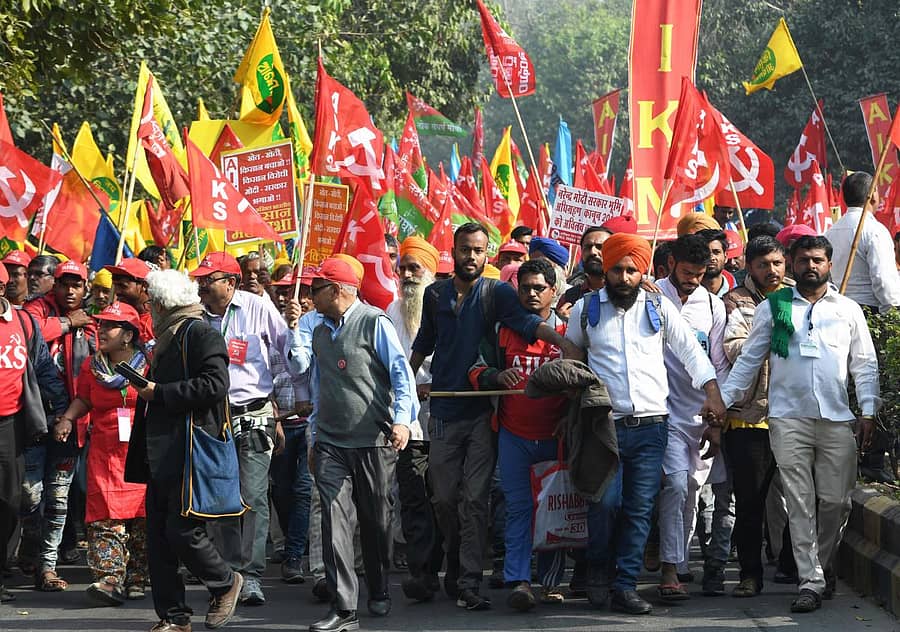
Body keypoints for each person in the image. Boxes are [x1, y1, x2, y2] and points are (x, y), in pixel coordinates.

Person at [410, 223, 579, 610]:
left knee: (474, 500)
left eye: (479, 250)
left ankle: (469, 580)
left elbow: (524, 323)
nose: (471, 256)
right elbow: (424, 341)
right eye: (465, 249)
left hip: (484, 416)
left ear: (487, 254)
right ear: (452, 250)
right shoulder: (435, 293)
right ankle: (453, 562)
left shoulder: (498, 292)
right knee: (445, 499)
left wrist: (562, 341)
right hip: (444, 410)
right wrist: (404, 385)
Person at [564, 232, 726, 615]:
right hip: (603, 426)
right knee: (605, 504)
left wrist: (713, 392)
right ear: (606, 269)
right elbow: (570, 351)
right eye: (617, 269)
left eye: (631, 270)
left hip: (653, 427)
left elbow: (690, 351)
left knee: (639, 509)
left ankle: (624, 585)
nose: (623, 277)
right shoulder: (585, 309)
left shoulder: (658, 307)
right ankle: (598, 574)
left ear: (643, 271)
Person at [720, 235, 880, 613]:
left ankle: (821, 566)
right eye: (804, 259)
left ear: (829, 264)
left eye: (818, 260)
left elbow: (865, 364)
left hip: (837, 419)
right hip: (787, 418)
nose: (811, 266)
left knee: (836, 502)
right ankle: (810, 581)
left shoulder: (848, 310)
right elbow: (749, 360)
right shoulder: (774, 307)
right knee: (799, 501)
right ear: (792, 263)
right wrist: (724, 400)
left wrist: (869, 410)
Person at [124, 269, 243, 632]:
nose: (150, 310)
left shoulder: (200, 332)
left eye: (151, 303)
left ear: (161, 304)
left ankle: (225, 581)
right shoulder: (167, 336)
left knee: (182, 530)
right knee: (159, 538)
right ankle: (173, 618)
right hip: (160, 450)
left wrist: (159, 392)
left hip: (189, 450)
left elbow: (215, 385)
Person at [307, 257, 418, 632]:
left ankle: (380, 586)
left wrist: (403, 420)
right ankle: (344, 608)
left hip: (373, 442)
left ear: (337, 290)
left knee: (375, 521)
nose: (310, 296)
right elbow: (320, 389)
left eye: (316, 289)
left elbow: (402, 374)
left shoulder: (374, 322)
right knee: (334, 520)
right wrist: (314, 433)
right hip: (331, 443)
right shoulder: (319, 332)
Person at [190, 252, 304, 607]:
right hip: (211, 417)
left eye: (210, 279)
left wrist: (297, 330)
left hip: (254, 413)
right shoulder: (195, 317)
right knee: (222, 498)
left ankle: (251, 575)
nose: (203, 286)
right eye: (201, 280)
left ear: (231, 282)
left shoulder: (259, 307)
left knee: (253, 496)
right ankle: (227, 575)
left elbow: (290, 358)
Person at [468, 258, 569, 611]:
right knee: (518, 509)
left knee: (555, 508)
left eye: (539, 288)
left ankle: (552, 582)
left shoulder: (568, 332)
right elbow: (476, 368)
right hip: (513, 436)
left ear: (553, 292)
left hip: (556, 438)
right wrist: (497, 377)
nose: (531, 294)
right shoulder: (502, 331)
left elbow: (585, 379)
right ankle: (519, 580)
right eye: (524, 287)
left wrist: (569, 421)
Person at [55, 302, 148, 606]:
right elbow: (84, 398)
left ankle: (136, 577)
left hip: (140, 451)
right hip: (104, 453)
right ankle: (109, 579)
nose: (102, 330)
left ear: (128, 335)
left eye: (110, 325)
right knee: (104, 516)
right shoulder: (92, 366)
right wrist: (68, 418)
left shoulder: (150, 364)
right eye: (101, 324)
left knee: (141, 518)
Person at [721, 236, 797, 598]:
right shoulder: (735, 302)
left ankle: (793, 565)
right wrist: (766, 336)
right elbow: (732, 348)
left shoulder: (801, 299)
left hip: (795, 413)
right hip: (750, 416)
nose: (772, 271)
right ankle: (750, 574)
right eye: (764, 264)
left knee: (798, 498)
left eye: (778, 264)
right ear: (749, 266)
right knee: (750, 502)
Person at [655, 235, 729, 601]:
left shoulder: (713, 306)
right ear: (670, 264)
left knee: (693, 491)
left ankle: (679, 561)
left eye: (699, 275)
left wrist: (716, 420)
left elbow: (716, 364)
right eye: (687, 273)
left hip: (699, 413)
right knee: (675, 484)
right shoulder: (651, 298)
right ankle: (669, 568)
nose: (693, 281)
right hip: (661, 410)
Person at [22, 259, 95, 592]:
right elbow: (29, 336)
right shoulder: (36, 309)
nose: (69, 290)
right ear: (55, 284)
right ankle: (31, 551)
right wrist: (66, 322)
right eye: (64, 283)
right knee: (29, 494)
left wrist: (72, 416)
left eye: (76, 284)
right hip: (34, 422)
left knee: (60, 499)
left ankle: (47, 567)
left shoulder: (95, 323)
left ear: (85, 289)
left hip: (73, 425)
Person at [0, 264, 67, 604]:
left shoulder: (23, 323)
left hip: (11, 424)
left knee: (11, 502)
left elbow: (42, 367)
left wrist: (62, 412)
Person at [384, 237, 443, 603]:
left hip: (447, 414)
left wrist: (432, 387)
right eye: (402, 268)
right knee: (414, 494)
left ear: (430, 271)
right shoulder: (391, 310)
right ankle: (422, 572)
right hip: (408, 420)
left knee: (448, 497)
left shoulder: (444, 305)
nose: (406, 275)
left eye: (414, 268)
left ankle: (453, 569)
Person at [268, 271, 314, 584]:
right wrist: (274, 416)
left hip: (311, 423)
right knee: (280, 490)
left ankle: (295, 555)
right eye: (282, 291)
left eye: (296, 292)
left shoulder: (319, 330)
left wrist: (297, 329)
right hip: (282, 423)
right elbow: (262, 377)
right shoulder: (269, 329)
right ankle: (292, 544)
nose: (289, 298)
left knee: (303, 489)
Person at [825, 171, 900, 313]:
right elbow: (883, 281)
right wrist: (893, 313)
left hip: (839, 309)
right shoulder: (875, 230)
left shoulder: (830, 232)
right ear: (872, 195)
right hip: (870, 310)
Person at [557, 226, 612, 318]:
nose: (592, 252)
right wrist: (565, 322)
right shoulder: (570, 297)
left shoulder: (625, 292)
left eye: (600, 247)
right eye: (587, 247)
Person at [105, 258, 156, 349]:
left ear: (144, 286)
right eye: (115, 285)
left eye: (122, 286)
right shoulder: (113, 318)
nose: (117, 291)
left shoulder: (159, 320)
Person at [696, 229, 736, 298]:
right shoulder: (685, 293)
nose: (711, 258)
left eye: (716, 252)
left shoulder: (740, 293)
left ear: (725, 256)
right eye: (706, 252)